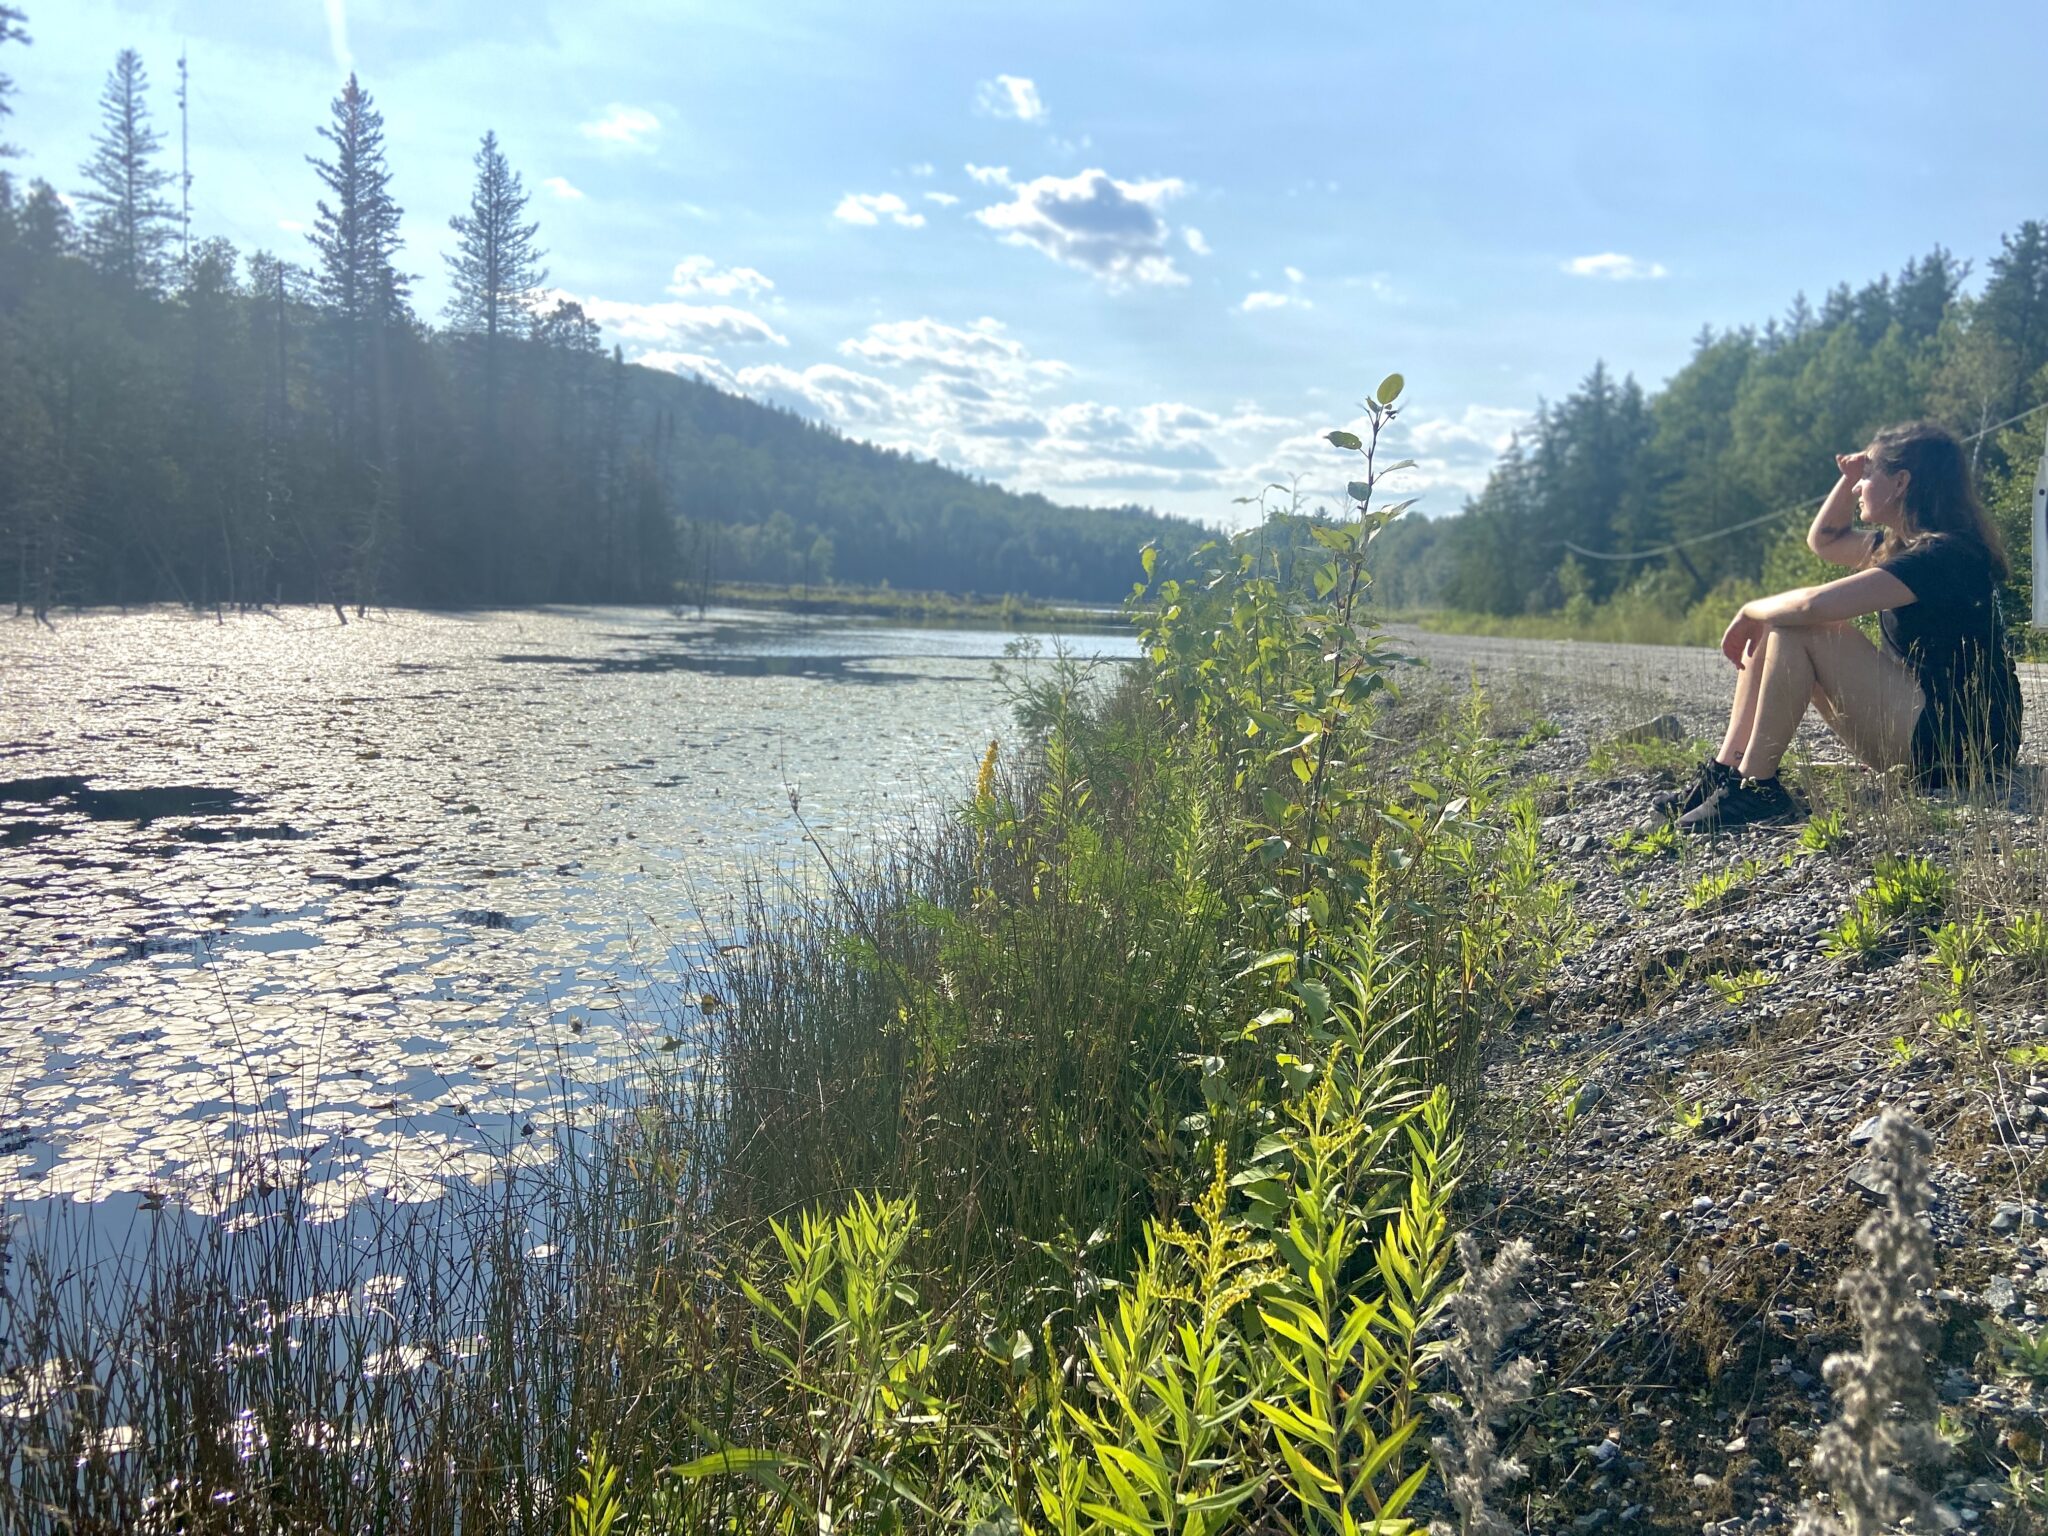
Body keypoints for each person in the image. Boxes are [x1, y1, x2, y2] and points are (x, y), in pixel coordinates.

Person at [1662, 420, 2022, 832]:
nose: (1857, 488)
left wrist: (1749, 608)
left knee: (1801, 625)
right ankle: (1727, 774)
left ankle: (1757, 790)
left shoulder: (1943, 556)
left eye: (1868, 476)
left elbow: (1814, 604)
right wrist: (1849, 476)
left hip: (1967, 746)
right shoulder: (1903, 547)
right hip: (1929, 730)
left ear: (1901, 481)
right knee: (1780, 622)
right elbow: (1826, 540)